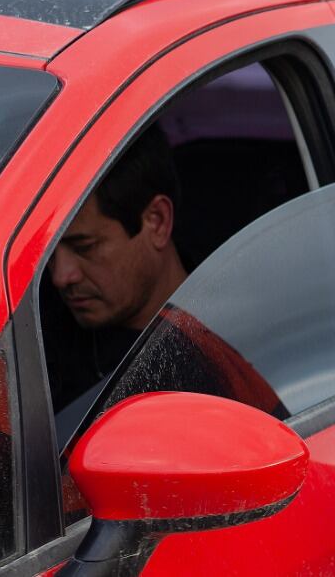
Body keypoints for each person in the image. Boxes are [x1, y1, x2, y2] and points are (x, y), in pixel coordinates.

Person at [45, 124, 284, 424]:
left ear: (156, 222)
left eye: (85, 247)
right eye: (48, 254)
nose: (61, 276)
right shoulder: (32, 329)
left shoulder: (219, 369)